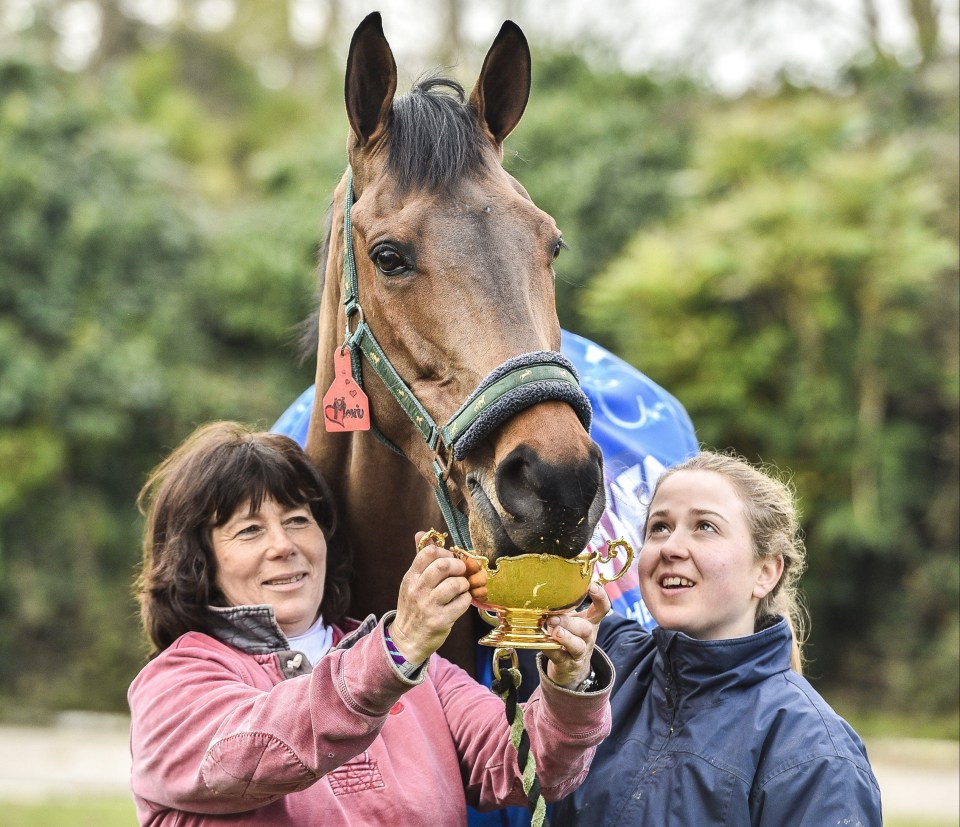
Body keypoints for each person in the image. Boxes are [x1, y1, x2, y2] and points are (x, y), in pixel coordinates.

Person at [128, 422, 615, 826]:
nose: (283, 545)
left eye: (298, 519)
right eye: (250, 529)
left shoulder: (417, 666)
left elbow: (529, 767)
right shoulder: (174, 683)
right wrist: (397, 649)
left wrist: (567, 686)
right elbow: (254, 756)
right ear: (199, 561)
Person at [551, 449, 883, 826]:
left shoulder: (816, 755)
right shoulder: (602, 663)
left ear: (766, 572)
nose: (672, 547)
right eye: (659, 527)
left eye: (705, 527)